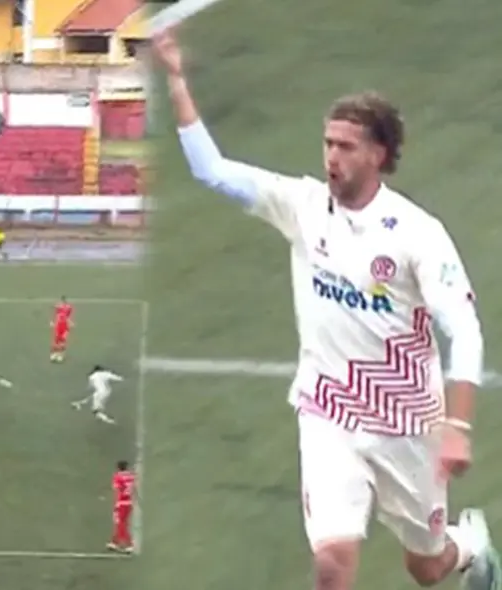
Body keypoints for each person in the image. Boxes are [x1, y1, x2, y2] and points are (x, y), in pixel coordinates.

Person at [152, 28, 499, 590]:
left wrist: (457, 427)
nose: (331, 157)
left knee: (427, 567)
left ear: (379, 154)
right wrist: (175, 80)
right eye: (327, 143)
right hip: (328, 410)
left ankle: (473, 547)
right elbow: (212, 171)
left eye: (346, 146)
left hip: (408, 422)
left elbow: (465, 330)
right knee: (332, 567)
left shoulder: (417, 234)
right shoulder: (304, 207)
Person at [108, 459, 136, 554]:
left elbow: (118, 490)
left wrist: (116, 504)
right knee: (121, 522)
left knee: (120, 523)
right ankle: (114, 542)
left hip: (121, 503)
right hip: (129, 502)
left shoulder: (117, 477)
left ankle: (129, 544)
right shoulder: (131, 476)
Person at [50, 296, 74, 362]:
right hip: (58, 325)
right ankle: (54, 354)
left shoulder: (69, 307)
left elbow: (69, 315)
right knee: (56, 340)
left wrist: (70, 322)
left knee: (62, 340)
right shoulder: (58, 307)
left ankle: (61, 355)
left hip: (65, 325)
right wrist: (52, 321)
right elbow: (55, 312)